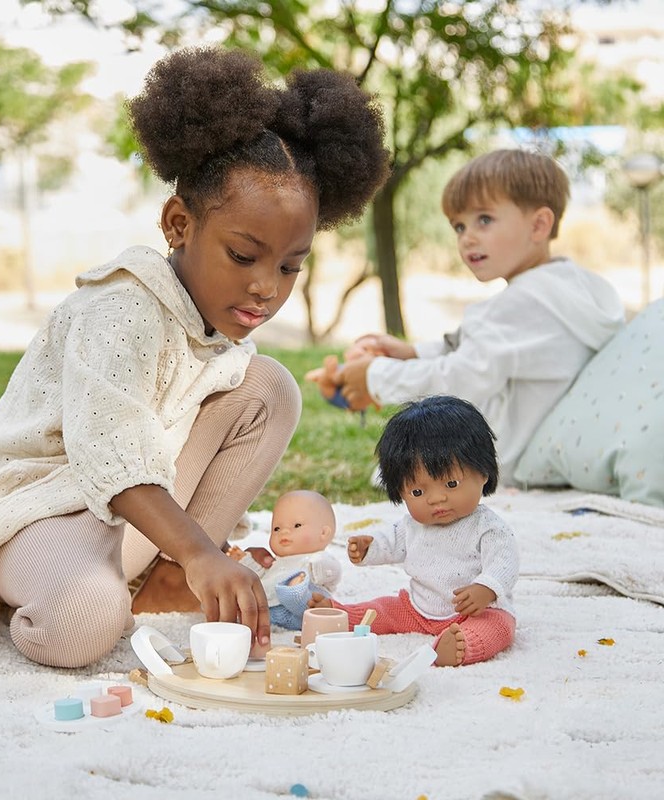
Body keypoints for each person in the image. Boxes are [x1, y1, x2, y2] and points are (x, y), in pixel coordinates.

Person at [0, 47, 391, 668]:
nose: (267, 286)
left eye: (290, 265)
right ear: (178, 224)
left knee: (269, 386)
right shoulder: (120, 309)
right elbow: (112, 452)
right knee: (83, 622)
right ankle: (11, 598)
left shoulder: (212, 325)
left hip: (132, 517)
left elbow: (170, 449)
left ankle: (163, 583)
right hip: (44, 512)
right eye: (244, 256)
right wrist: (201, 552)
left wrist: (191, 554)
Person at [306, 148, 625, 483]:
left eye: (484, 220)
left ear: (539, 225)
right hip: (551, 449)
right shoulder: (570, 290)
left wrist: (377, 377)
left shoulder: (521, 303)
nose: (467, 238)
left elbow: (460, 380)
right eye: (459, 226)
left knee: (409, 469)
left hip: (505, 464)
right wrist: (412, 353)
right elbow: (482, 350)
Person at [308, 395, 519, 667]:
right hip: (418, 609)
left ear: (484, 473)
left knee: (498, 628)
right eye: (418, 491)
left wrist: (486, 589)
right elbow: (392, 542)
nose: (436, 499)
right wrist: (369, 548)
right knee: (384, 609)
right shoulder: (412, 525)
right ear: (400, 491)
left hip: (476, 612)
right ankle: (341, 616)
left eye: (451, 484)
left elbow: (505, 562)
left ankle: (462, 645)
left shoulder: (488, 528)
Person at [227, 489, 341, 630]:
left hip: (303, 609)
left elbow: (332, 572)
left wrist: (315, 567)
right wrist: (244, 560)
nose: (284, 532)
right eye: (276, 528)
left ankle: (294, 591)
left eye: (297, 525)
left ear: (323, 533)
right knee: (247, 601)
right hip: (271, 609)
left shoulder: (318, 559)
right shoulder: (276, 562)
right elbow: (260, 574)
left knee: (303, 602)